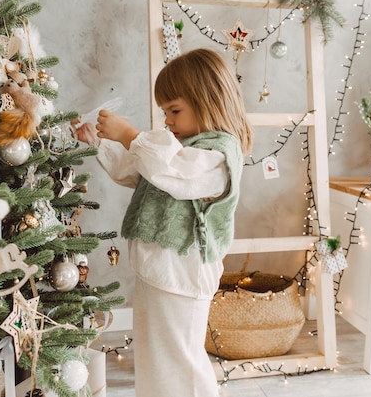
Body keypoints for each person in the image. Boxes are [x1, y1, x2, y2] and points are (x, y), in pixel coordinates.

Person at [75, 48, 253, 397]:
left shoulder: (218, 154)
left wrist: (129, 133)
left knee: (181, 363)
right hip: (159, 273)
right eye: (165, 112)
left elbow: (172, 171)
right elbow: (138, 170)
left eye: (174, 110)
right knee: (157, 360)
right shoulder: (181, 146)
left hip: (182, 277)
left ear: (208, 102)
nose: (168, 120)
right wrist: (99, 141)